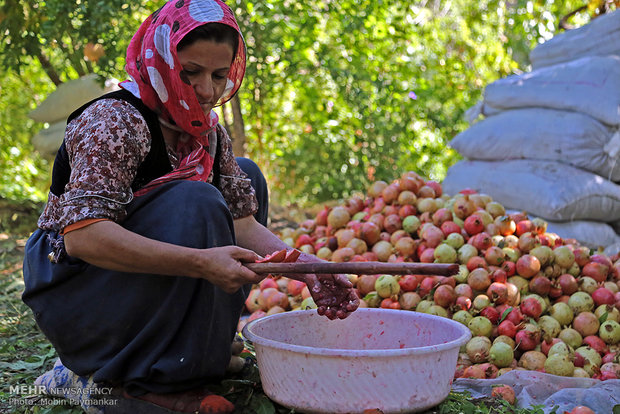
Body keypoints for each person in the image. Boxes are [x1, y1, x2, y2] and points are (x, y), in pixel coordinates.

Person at [21, 1, 359, 413]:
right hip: (78, 294)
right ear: (159, 60)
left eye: (219, 75)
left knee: (246, 178)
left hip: (127, 286)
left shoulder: (207, 133)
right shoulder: (114, 121)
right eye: (190, 73)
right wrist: (202, 262)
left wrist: (308, 267)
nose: (207, 91)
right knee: (195, 198)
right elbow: (84, 240)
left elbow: (243, 226)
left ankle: (188, 358)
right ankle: (128, 376)